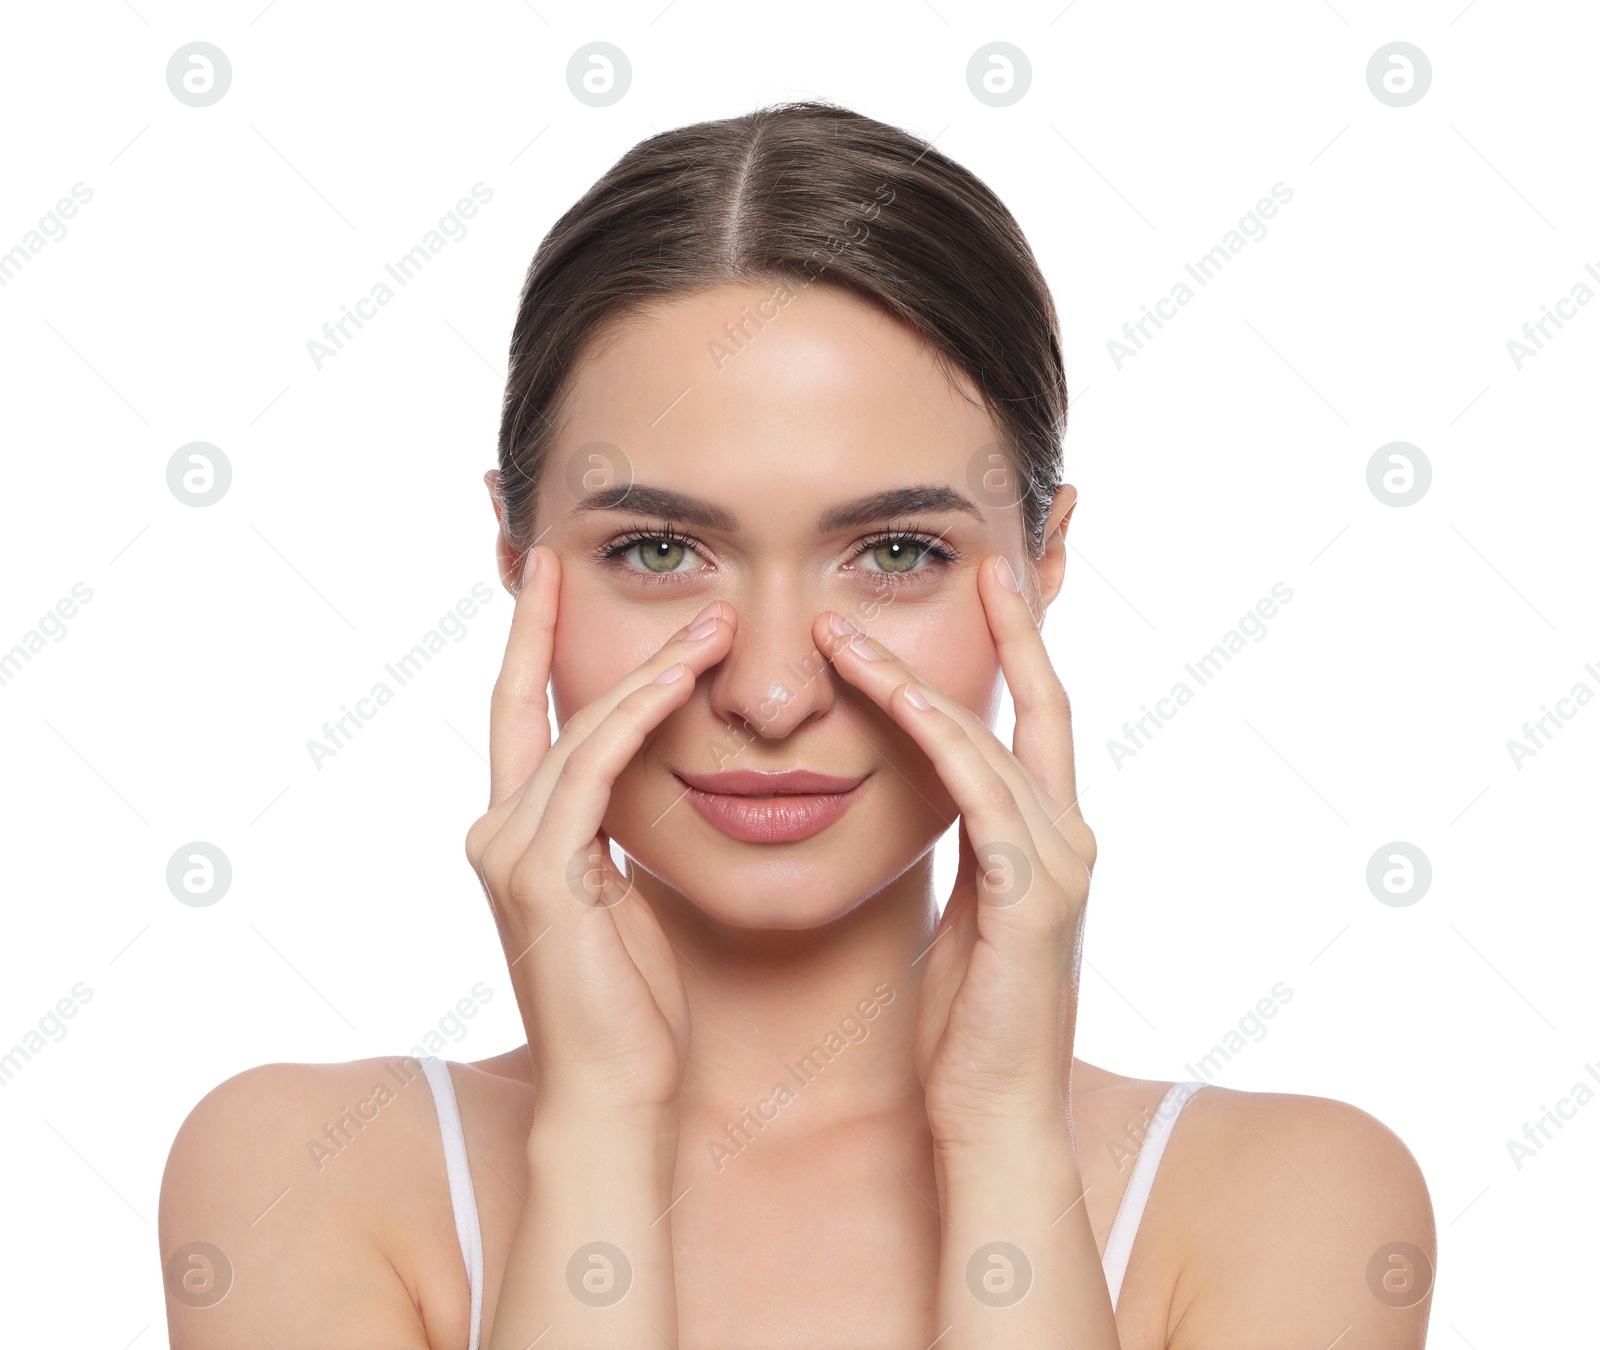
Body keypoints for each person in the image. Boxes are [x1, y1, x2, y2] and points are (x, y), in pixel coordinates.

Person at [160, 100, 1435, 1349]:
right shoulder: (298, 1176)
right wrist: (600, 1123)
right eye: (659, 549)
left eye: (894, 550)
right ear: (512, 546)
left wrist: (1002, 1138)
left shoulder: (1294, 1203)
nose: (771, 692)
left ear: (1042, 561)